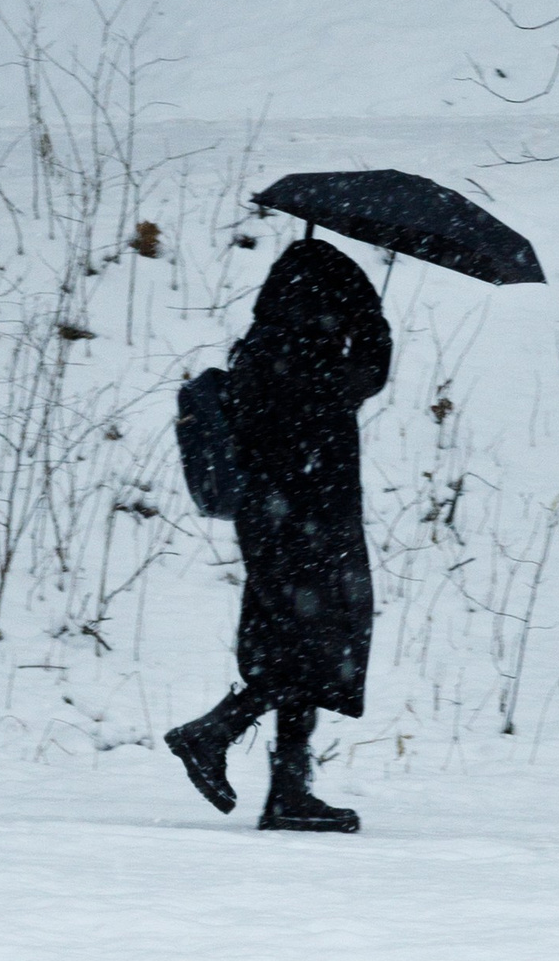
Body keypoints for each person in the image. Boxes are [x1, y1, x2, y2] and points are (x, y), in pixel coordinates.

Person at [164, 236, 392, 832]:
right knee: (314, 646)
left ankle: (287, 791)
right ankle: (214, 736)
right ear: (331, 301)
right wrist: (373, 328)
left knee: (295, 647)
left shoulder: (265, 350)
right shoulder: (309, 363)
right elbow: (365, 378)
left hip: (277, 524)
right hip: (307, 526)